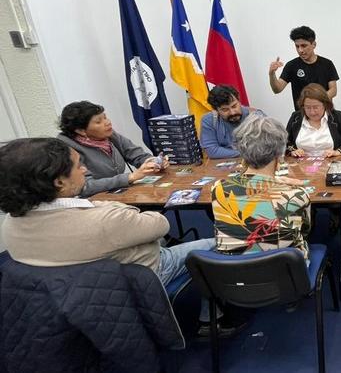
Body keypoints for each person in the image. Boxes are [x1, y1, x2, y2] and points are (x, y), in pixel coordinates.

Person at [0, 138, 241, 337]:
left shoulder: (10, 225)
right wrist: (114, 209)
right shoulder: (103, 220)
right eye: (77, 165)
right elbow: (160, 223)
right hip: (142, 272)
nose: (84, 169)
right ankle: (212, 319)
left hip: (72, 299)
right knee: (215, 243)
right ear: (59, 181)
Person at [211, 115, 312, 261]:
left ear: (242, 152)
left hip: (232, 276)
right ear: (279, 156)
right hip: (285, 276)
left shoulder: (218, 188)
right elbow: (305, 230)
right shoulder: (297, 194)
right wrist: (281, 186)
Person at [57, 101, 167, 196]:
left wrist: (155, 162)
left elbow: (137, 155)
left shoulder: (109, 135)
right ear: (80, 131)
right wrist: (130, 177)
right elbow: (85, 186)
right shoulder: (67, 150)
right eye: (98, 121)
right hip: (92, 202)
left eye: (105, 117)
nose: (108, 122)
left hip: (119, 195)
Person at [267, 26, 339, 110]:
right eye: (297, 46)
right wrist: (271, 74)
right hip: (302, 115)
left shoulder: (327, 64)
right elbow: (277, 89)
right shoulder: (291, 65)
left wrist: (315, 101)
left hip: (325, 113)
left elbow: (333, 90)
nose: (300, 50)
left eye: (304, 46)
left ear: (314, 44)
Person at [286, 83, 341, 157]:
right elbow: (285, 141)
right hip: (301, 164)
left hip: (333, 163)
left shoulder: (337, 117)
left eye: (316, 107)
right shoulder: (296, 118)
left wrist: (337, 152)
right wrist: (294, 151)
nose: (312, 112)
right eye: (307, 107)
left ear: (325, 104)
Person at [201, 85, 264, 158]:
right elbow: (212, 151)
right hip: (225, 164)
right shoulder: (209, 121)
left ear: (239, 101)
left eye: (234, 106)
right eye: (225, 110)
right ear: (216, 110)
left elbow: (269, 146)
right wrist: (245, 154)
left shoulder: (257, 116)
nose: (232, 113)